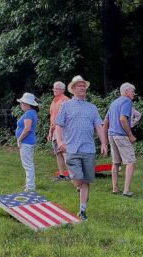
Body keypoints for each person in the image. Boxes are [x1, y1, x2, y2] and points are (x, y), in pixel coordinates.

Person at [55, 75, 107, 221]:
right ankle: (78, 186)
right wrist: (59, 141)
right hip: (71, 148)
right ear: (73, 89)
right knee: (78, 179)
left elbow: (98, 125)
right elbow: (59, 125)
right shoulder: (66, 106)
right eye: (79, 86)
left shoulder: (92, 107)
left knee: (86, 181)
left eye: (84, 86)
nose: (82, 88)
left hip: (88, 149)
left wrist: (104, 143)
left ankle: (82, 211)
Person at [103, 82, 137, 197]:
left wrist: (105, 140)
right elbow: (123, 119)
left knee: (116, 162)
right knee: (130, 162)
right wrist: (130, 135)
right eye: (133, 91)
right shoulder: (127, 101)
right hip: (121, 135)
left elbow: (106, 121)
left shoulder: (114, 102)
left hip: (111, 135)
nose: (134, 93)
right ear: (126, 92)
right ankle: (126, 191)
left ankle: (115, 188)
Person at [15, 92, 39, 191]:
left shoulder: (29, 113)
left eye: (22, 103)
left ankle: (30, 187)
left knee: (27, 164)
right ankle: (29, 185)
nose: (21, 105)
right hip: (28, 142)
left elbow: (27, 129)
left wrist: (19, 140)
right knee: (28, 163)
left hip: (26, 142)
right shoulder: (31, 112)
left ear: (27, 104)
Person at [47, 81, 70, 181]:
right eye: (54, 88)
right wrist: (50, 132)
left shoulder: (65, 101)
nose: (54, 90)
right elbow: (52, 117)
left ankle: (71, 174)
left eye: (56, 88)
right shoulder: (54, 101)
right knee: (58, 153)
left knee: (65, 152)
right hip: (54, 129)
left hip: (63, 130)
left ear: (62, 90)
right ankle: (61, 175)